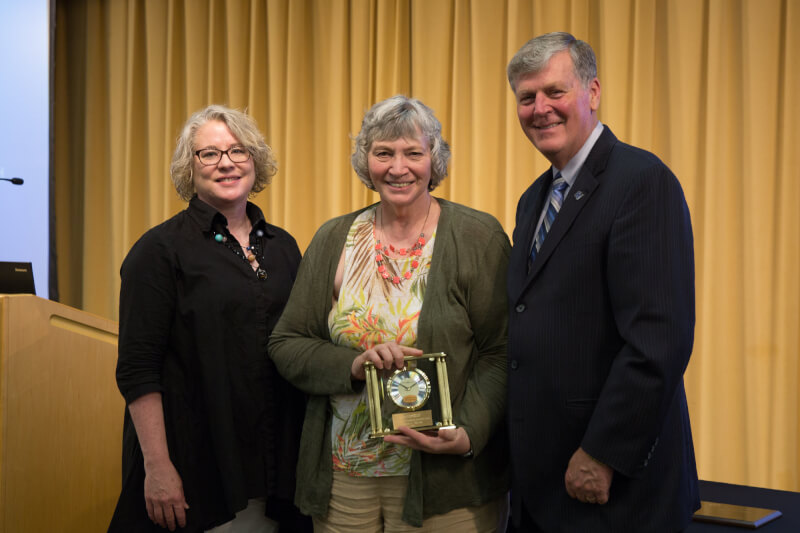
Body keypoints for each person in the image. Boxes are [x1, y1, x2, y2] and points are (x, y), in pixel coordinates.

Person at [268, 95, 510, 532]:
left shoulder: (478, 237)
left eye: (413, 153)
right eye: (383, 153)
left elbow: (501, 352)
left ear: (434, 160)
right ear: (366, 162)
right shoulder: (334, 238)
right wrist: (354, 365)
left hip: (446, 479)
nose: (399, 168)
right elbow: (286, 343)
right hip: (345, 475)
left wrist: (469, 432)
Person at [505, 32, 699, 532]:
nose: (540, 108)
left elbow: (658, 341)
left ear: (592, 93)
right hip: (544, 484)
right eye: (527, 98)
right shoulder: (533, 200)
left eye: (554, 92)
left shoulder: (641, 181)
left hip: (613, 485)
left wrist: (603, 453)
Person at [108, 105, 310, 532]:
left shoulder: (284, 247)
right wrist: (158, 467)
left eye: (238, 151)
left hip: (275, 468)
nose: (226, 163)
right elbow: (137, 370)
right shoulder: (159, 251)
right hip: (198, 468)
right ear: (189, 167)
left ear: (255, 160)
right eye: (209, 154)